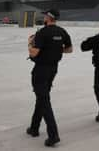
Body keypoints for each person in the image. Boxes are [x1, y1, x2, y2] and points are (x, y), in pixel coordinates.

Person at [26, 9, 73, 147]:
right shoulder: (62, 32)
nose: (44, 17)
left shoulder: (42, 32)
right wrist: (57, 49)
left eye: (45, 15)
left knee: (44, 100)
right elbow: (69, 49)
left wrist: (29, 43)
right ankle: (34, 128)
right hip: (53, 70)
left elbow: (34, 53)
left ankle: (53, 135)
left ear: (48, 17)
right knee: (42, 98)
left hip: (41, 70)